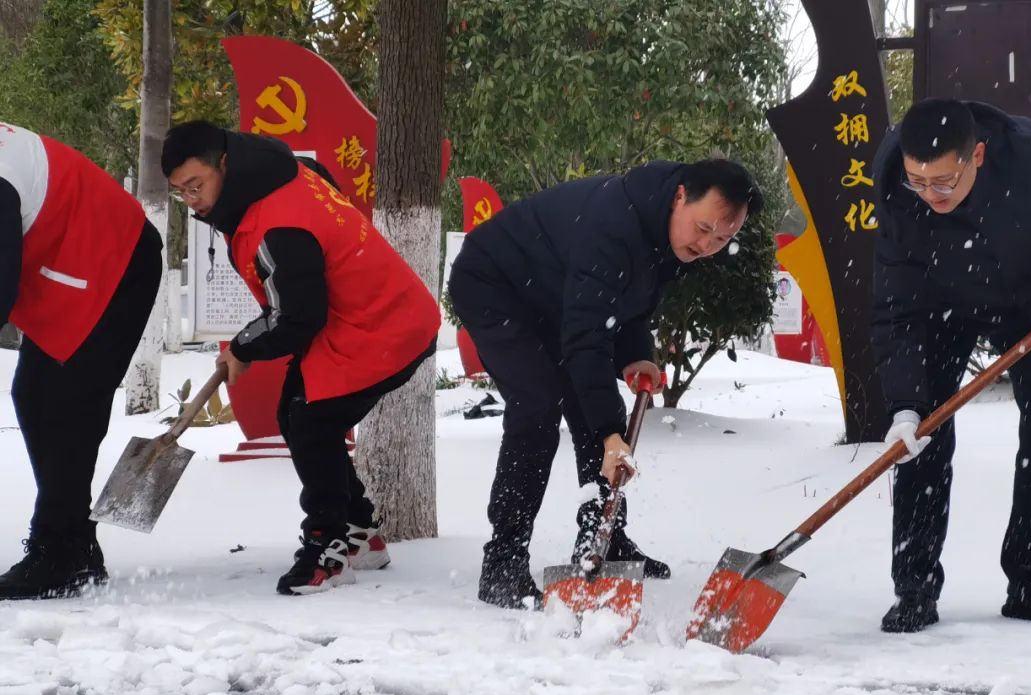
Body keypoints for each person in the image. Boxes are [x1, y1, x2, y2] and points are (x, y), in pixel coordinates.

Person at [449, 158, 762, 609]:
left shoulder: (664, 230)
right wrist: (608, 435)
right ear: (680, 196)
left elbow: (628, 302)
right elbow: (587, 333)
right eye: (704, 228)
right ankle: (503, 561)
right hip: (495, 284)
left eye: (723, 238)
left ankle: (604, 537)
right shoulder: (614, 226)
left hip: (555, 296)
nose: (708, 244)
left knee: (590, 402)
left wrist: (636, 352)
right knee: (539, 405)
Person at [161, 121, 439, 595]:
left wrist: (244, 348)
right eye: (179, 192)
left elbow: (297, 318)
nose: (192, 200)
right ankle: (359, 532)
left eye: (196, 185)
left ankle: (327, 545)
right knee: (300, 414)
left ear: (224, 164)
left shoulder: (276, 223)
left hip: (381, 326)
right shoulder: (286, 170)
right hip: (363, 316)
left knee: (309, 419)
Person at [872, 97, 1031, 632]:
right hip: (940, 305)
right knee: (921, 435)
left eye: (943, 182)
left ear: (978, 156)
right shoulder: (896, 181)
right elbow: (896, 302)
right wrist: (902, 406)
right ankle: (914, 586)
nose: (930, 195)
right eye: (920, 183)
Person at [0, 122, 163, 600]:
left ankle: (59, 551)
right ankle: (74, 545)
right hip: (70, 259)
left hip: (115, 259)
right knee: (36, 396)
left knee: (63, 402)